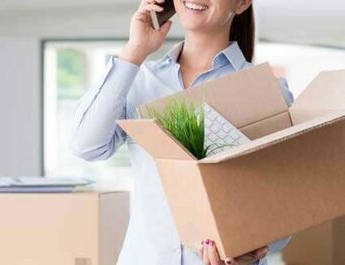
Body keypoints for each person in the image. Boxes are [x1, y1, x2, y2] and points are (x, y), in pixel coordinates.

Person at [70, 0, 293, 264]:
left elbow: (285, 204)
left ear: (243, 3)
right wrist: (133, 52)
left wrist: (250, 251)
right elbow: (86, 146)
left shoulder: (265, 89)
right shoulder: (140, 79)